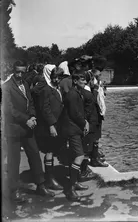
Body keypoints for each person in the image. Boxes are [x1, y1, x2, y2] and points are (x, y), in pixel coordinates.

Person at [2, 61, 55, 205]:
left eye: (22, 72)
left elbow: (30, 102)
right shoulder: (6, 87)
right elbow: (9, 110)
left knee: (34, 155)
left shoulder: (25, 84)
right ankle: (13, 192)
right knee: (14, 162)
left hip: (28, 127)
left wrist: (32, 116)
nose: (20, 75)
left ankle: (40, 186)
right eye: (17, 72)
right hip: (14, 129)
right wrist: (26, 119)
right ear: (13, 71)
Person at [34, 65, 65, 190]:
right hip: (49, 125)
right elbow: (45, 109)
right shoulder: (46, 89)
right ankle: (49, 179)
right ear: (51, 76)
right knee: (49, 150)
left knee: (52, 150)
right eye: (56, 77)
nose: (58, 80)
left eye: (59, 78)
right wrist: (51, 125)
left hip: (57, 123)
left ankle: (50, 177)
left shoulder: (55, 88)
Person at [60, 70, 90, 201]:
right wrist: (85, 123)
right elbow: (74, 113)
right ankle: (70, 189)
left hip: (75, 128)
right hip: (72, 129)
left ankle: (75, 182)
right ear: (76, 81)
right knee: (79, 156)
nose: (85, 82)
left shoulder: (76, 93)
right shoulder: (72, 95)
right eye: (82, 80)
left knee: (75, 156)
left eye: (85, 80)